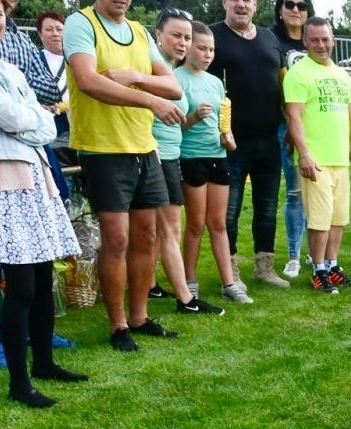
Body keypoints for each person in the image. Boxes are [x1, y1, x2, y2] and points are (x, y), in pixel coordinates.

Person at [0, 0, 85, 407]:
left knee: (42, 279)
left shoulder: (10, 68)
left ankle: (43, 362)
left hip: (33, 175)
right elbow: (11, 116)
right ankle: (18, 383)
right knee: (20, 284)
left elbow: (39, 122)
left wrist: (31, 121)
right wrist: (32, 120)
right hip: (1, 181)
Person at [64, 0, 187, 351]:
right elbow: (87, 81)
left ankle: (139, 316)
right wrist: (150, 100)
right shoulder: (81, 23)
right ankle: (118, 325)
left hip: (143, 146)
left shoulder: (138, 31)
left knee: (146, 236)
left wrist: (135, 78)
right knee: (117, 238)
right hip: (102, 149)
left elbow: (174, 88)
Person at [284, 17, 351, 295]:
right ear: (305, 41)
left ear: (332, 40)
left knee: (337, 219)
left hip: (339, 161)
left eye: (325, 39)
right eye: (315, 40)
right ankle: (318, 269)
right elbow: (293, 116)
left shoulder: (342, 75)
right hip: (315, 161)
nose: (321, 45)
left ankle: (332, 267)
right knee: (319, 221)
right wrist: (305, 154)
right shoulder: (299, 74)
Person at [210, 0, 290, 289]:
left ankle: (264, 267)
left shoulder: (270, 38)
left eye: (248, 0)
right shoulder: (212, 36)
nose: (241, 4)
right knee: (228, 211)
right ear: (225, 3)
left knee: (267, 207)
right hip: (230, 142)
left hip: (269, 138)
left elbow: (284, 85)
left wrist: (292, 126)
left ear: (255, 5)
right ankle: (230, 271)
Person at [149, 11, 224, 315]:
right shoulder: (154, 70)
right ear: (158, 36)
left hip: (171, 155)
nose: (183, 43)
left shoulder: (165, 70)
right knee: (169, 228)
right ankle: (185, 298)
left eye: (187, 37)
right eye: (176, 36)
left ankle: (150, 286)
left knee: (157, 230)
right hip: (155, 155)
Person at [178, 21, 252, 303]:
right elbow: (170, 126)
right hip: (191, 156)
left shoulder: (215, 82)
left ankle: (229, 283)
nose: (208, 54)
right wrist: (194, 117)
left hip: (217, 156)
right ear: (188, 48)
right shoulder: (176, 78)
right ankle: (190, 280)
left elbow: (224, 123)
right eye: (202, 48)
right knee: (196, 223)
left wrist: (228, 139)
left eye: (211, 49)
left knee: (218, 223)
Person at [270, 0, 312, 279]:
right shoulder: (270, 40)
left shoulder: (316, 41)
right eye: (289, 4)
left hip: (318, 126)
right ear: (280, 9)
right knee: (296, 192)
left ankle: (316, 252)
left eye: (301, 4)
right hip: (285, 125)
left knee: (318, 192)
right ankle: (294, 255)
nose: (295, 9)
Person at [36, 10, 70, 137]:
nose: (55, 34)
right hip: (52, 128)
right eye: (49, 29)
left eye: (59, 29)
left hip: (80, 124)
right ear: (40, 34)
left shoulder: (78, 59)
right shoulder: (35, 60)